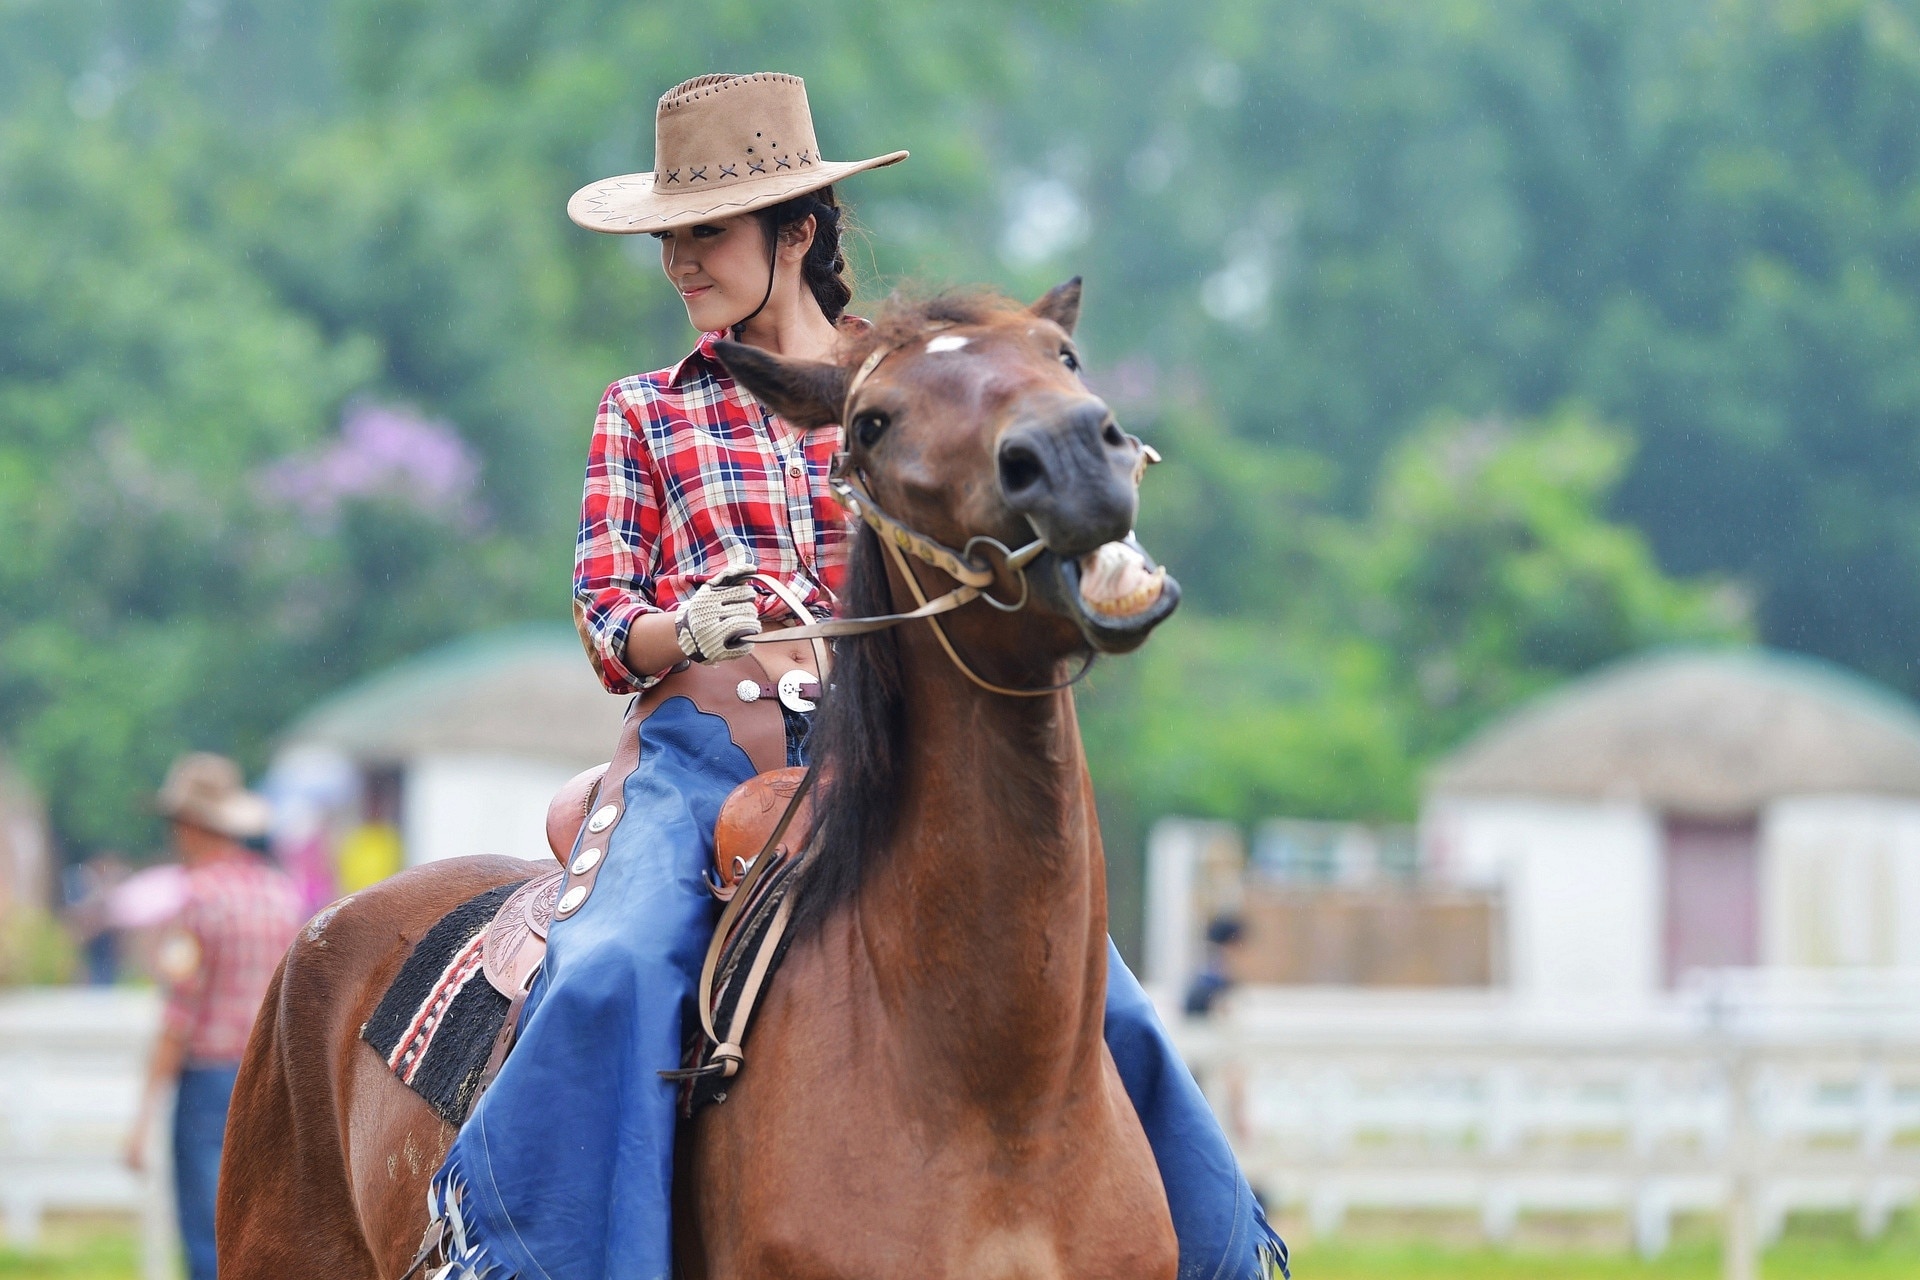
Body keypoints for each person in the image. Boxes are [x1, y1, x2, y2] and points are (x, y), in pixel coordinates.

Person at [425, 72, 1287, 1278]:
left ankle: (1226, 1256)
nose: (680, 259)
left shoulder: (914, 396)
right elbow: (605, 620)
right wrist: (691, 626)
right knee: (612, 968)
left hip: (883, 749)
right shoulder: (644, 411)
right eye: (669, 236)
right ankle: (525, 1258)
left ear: (799, 231)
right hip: (696, 759)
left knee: (1094, 986)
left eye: (705, 231)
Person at [125, 752, 303, 1280]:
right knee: (264, 1224)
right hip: (270, 1076)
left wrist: (141, 1118)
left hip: (209, 1080)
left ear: (190, 825)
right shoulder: (281, 893)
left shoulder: (197, 900)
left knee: (209, 1233)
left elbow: (180, 1016)